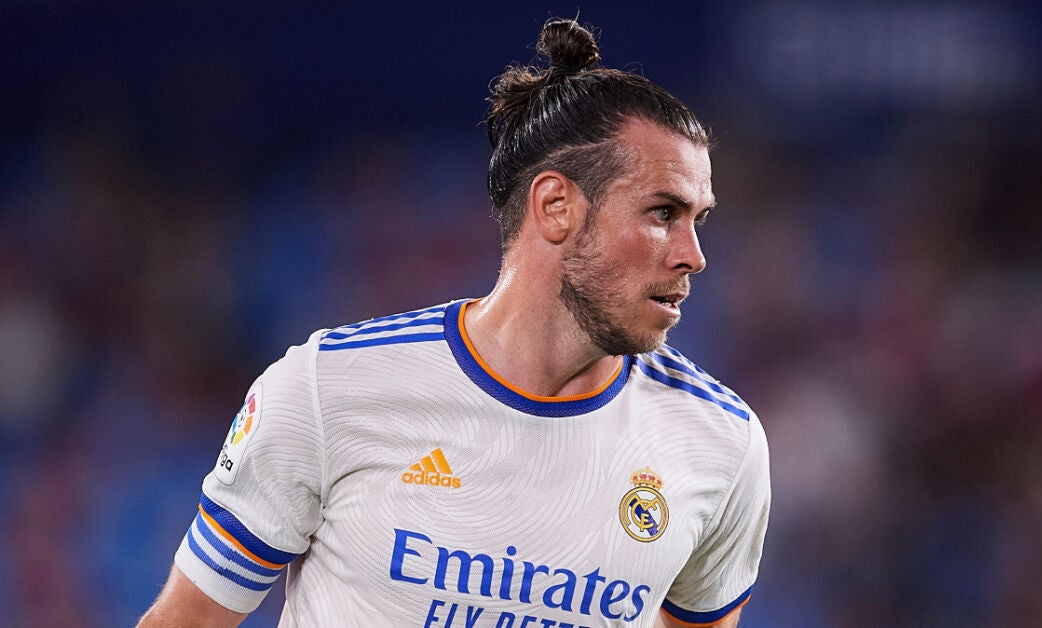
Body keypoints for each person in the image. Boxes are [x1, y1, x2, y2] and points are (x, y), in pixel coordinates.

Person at [139, 17, 770, 628]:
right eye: (663, 213)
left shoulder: (721, 444)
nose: (694, 255)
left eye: (698, 220)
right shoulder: (328, 389)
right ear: (556, 206)